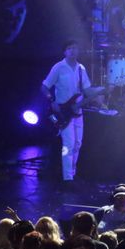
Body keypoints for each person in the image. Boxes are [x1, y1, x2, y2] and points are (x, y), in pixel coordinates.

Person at [41, 40, 92, 184]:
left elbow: (87, 89)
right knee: (68, 145)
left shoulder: (81, 69)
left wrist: (99, 93)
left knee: (77, 144)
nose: (72, 51)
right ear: (65, 51)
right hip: (63, 112)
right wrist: (52, 100)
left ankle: (72, 173)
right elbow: (44, 86)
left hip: (77, 111)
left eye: (75, 48)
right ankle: (67, 179)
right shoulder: (58, 67)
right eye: (69, 48)